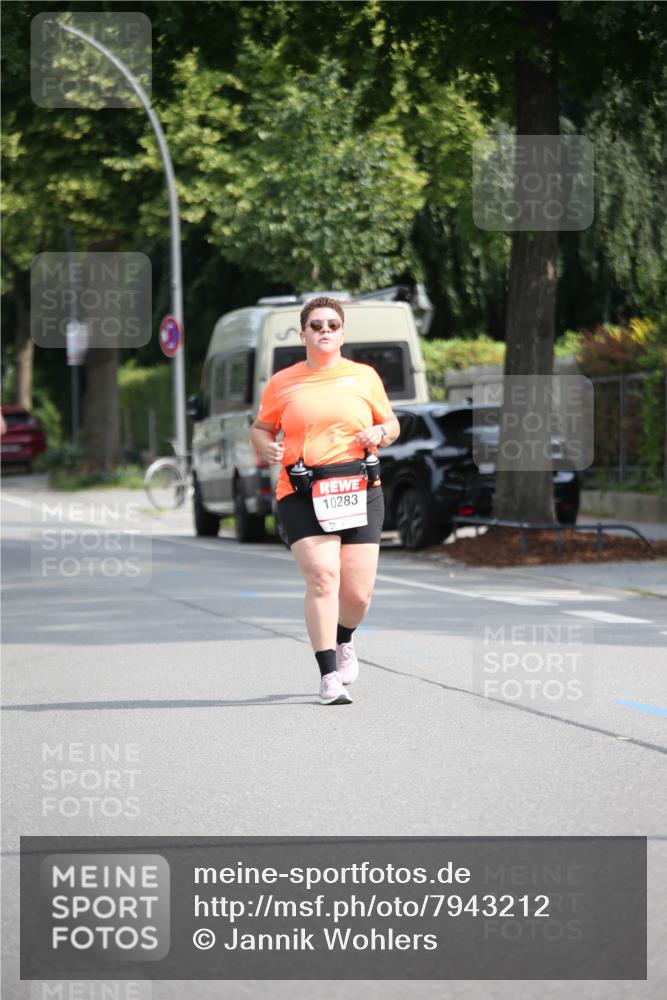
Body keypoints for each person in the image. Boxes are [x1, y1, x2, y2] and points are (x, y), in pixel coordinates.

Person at [251, 296, 399, 705]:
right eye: (316, 325)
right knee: (322, 578)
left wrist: (381, 435)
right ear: (303, 334)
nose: (324, 331)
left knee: (357, 595)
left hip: (358, 490)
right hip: (302, 491)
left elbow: (391, 422)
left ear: (342, 333)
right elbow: (261, 428)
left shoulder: (364, 377)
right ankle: (328, 676)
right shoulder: (283, 382)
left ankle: (344, 638)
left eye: (332, 325)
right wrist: (268, 448)